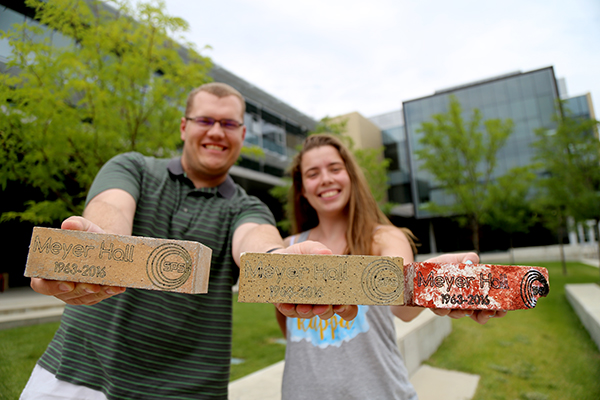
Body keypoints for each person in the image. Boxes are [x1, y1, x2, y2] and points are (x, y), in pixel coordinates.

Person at [21, 83, 354, 400]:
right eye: (205, 120)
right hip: (76, 377)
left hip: (188, 390)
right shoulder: (132, 167)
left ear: (242, 134)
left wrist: (279, 263)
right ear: (184, 126)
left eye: (228, 123)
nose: (216, 131)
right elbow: (110, 208)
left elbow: (256, 239)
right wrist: (99, 247)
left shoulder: (247, 206)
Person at [275, 134, 507, 400]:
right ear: (302, 188)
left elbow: (402, 307)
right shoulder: (288, 247)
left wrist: (429, 281)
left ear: (350, 176)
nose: (326, 178)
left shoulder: (384, 238)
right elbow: (285, 319)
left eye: (335, 169)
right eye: (313, 173)